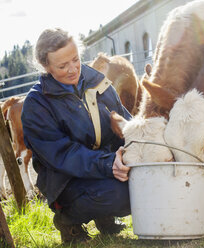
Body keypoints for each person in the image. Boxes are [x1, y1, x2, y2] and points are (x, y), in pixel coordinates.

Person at [21, 28, 132, 243]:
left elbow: (128, 125)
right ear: (46, 66)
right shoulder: (36, 104)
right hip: (65, 179)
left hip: (105, 166)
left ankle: (104, 215)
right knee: (120, 195)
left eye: (76, 59)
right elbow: (63, 155)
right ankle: (68, 219)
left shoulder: (100, 83)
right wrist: (109, 164)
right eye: (62, 66)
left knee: (141, 185)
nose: (73, 69)